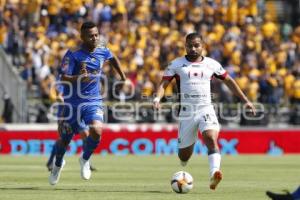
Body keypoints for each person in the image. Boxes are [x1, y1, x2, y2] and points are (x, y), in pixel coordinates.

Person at [153, 33, 256, 190]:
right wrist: (157, 99)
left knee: (210, 138)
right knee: (184, 156)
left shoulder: (212, 64)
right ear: (185, 46)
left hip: (205, 108)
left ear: (203, 46)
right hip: (186, 113)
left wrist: (245, 100)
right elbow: (163, 84)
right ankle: (186, 157)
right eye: (189, 45)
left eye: (196, 45)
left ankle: (214, 173)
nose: (193, 48)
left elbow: (229, 81)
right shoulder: (176, 64)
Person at [48, 21, 127, 185]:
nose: (95, 38)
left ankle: (85, 160)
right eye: (91, 36)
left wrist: (122, 76)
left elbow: (113, 59)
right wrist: (79, 78)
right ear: (82, 37)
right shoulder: (73, 54)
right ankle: (57, 165)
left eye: (96, 35)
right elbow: (63, 77)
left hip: (93, 100)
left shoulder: (102, 50)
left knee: (97, 130)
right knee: (64, 140)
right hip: (72, 103)